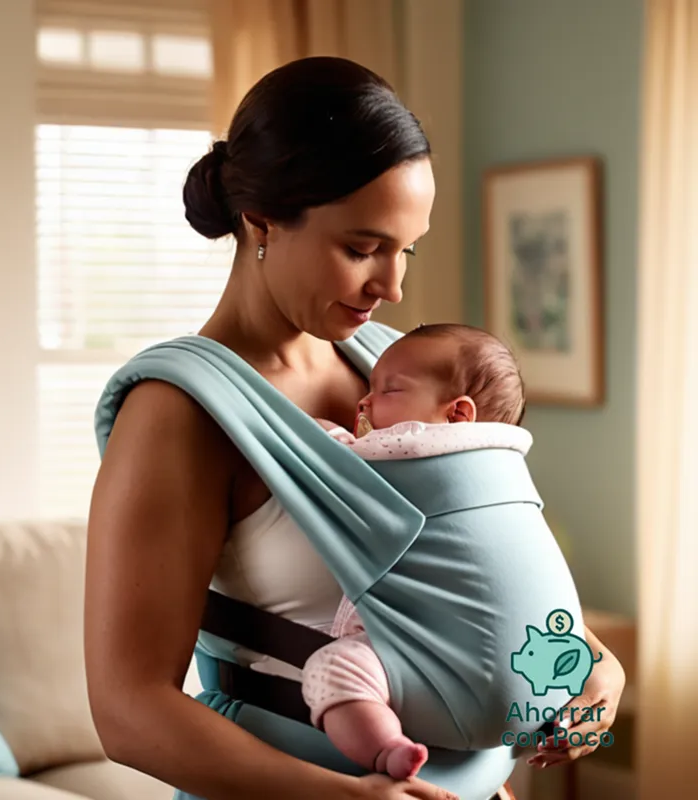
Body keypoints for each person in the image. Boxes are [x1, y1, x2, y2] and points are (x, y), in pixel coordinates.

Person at [84, 56, 626, 800]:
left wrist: (596, 662)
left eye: (407, 249)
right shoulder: (181, 413)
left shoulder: (395, 366)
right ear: (261, 221)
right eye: (362, 248)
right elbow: (129, 712)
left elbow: (486, 569)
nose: (393, 284)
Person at [304, 323, 532, 780]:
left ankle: (385, 747)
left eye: (389, 389)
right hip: (490, 649)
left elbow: (336, 460)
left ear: (457, 416)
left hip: (415, 639)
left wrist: (313, 431)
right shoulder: (503, 463)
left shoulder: (415, 446)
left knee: (333, 668)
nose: (364, 403)